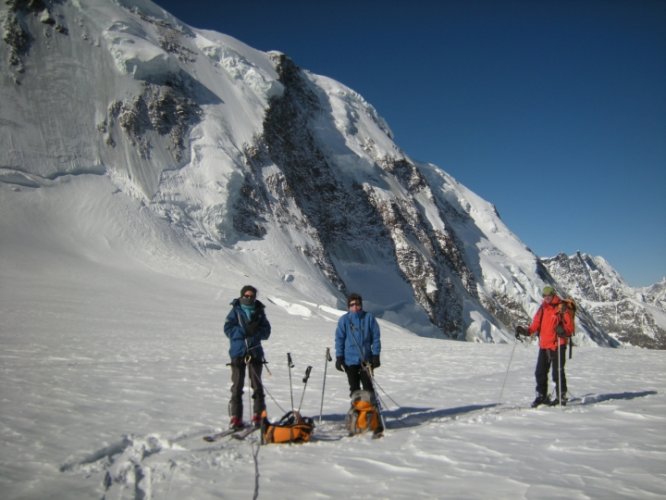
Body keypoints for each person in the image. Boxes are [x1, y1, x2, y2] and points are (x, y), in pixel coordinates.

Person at [516, 285, 574, 407]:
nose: (547, 298)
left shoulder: (562, 308)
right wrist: (526, 331)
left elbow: (570, 328)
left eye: (549, 295)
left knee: (557, 372)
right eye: (545, 296)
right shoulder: (542, 308)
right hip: (544, 345)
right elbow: (535, 325)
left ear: (553, 295)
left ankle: (561, 396)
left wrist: (562, 331)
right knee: (540, 372)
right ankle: (541, 396)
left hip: (558, 344)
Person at [223, 285, 271, 429]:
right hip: (238, 353)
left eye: (252, 296)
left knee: (257, 386)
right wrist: (243, 331)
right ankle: (236, 418)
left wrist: (255, 333)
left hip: (255, 353)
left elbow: (267, 331)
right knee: (237, 386)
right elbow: (228, 329)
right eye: (247, 296)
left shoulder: (260, 312)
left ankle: (259, 416)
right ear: (242, 296)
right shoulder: (235, 311)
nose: (249, 298)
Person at [335, 293, 381, 396]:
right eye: (352, 305)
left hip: (366, 361)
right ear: (348, 307)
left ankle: (371, 410)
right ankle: (357, 410)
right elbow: (339, 340)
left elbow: (376, 338)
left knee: (368, 389)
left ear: (361, 305)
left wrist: (376, 355)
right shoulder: (344, 320)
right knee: (354, 390)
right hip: (350, 361)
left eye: (357, 304)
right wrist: (339, 357)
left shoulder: (369, 318)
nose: (355, 307)